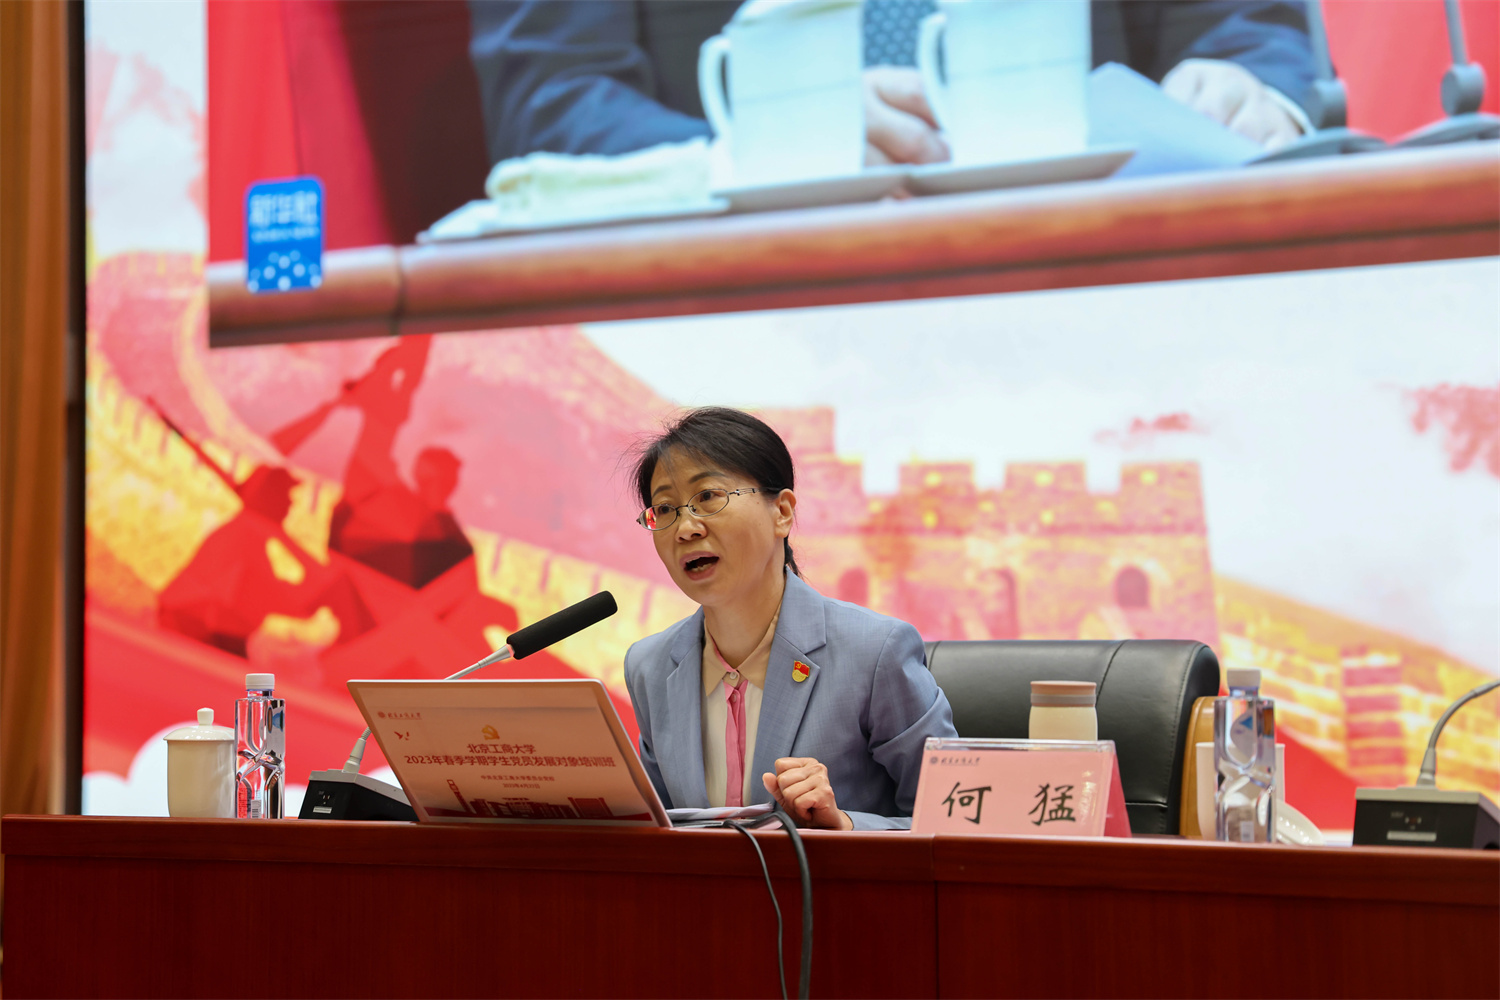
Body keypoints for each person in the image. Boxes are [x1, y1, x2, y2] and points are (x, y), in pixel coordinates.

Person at [623, 407, 957, 830]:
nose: (685, 528)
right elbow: (655, 830)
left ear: (782, 512)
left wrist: (845, 825)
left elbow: (954, 820)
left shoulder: (874, 653)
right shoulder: (650, 668)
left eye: (707, 497)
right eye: (665, 509)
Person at [468, 0, 1316, 166]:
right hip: (750, 310)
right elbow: (555, 101)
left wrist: (1246, 86)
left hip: (1115, 264)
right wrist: (780, 148)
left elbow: (1240, 29)